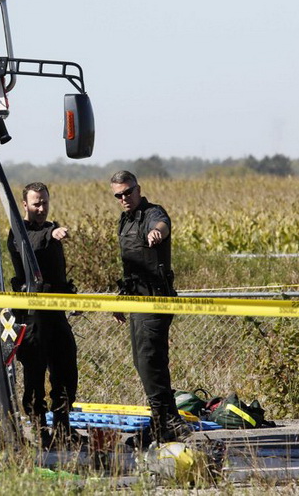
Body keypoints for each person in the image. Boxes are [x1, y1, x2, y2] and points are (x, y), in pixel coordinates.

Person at [109, 170, 191, 444]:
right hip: (136, 300)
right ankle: (167, 421)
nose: (124, 198)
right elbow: (129, 267)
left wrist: (157, 233)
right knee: (144, 362)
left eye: (128, 192)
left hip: (155, 299)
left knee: (150, 361)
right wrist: (121, 299)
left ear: (138, 189)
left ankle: (165, 423)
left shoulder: (152, 213)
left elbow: (162, 225)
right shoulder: (125, 221)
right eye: (118, 195)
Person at [7, 182, 79, 447]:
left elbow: (56, 273)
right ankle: (39, 429)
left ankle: (63, 426)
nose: (41, 208)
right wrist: (52, 233)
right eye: (36, 203)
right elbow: (32, 246)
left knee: (66, 368)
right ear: (25, 205)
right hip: (32, 314)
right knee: (35, 374)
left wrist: (71, 298)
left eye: (44, 202)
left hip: (55, 312)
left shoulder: (50, 229)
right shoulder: (18, 232)